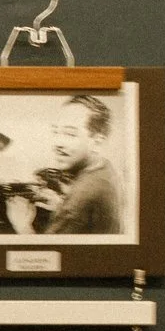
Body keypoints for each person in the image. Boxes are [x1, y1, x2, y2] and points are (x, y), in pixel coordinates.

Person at [32, 93, 125, 233]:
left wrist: (21, 223)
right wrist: (62, 205)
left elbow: (49, 251)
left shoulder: (82, 196)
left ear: (97, 141)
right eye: (56, 132)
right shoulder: (105, 167)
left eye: (70, 134)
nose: (58, 143)